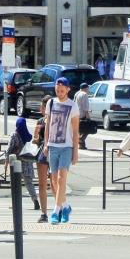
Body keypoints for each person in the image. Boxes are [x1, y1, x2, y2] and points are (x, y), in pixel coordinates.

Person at [43, 77, 79, 223]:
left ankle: (56, 211)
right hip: (53, 145)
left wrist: (75, 151)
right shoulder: (51, 103)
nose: (59, 92)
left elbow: (75, 130)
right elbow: (47, 125)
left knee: (61, 178)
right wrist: (46, 144)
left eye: (62, 90)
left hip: (66, 146)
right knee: (54, 181)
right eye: (57, 90)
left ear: (68, 90)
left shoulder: (73, 105)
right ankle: (65, 207)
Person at [6, 116, 40, 210]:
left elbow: (9, 149)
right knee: (29, 183)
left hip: (15, 162)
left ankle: (15, 203)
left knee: (15, 184)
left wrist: (6, 161)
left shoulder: (14, 135)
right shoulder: (29, 136)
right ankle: (35, 200)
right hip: (27, 163)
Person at [74, 81, 92, 149]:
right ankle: (80, 140)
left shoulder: (77, 94)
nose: (88, 89)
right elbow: (85, 107)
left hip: (76, 114)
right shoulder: (84, 94)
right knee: (87, 129)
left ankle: (81, 145)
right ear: (86, 88)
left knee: (80, 129)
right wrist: (88, 117)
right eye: (88, 88)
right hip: (82, 115)